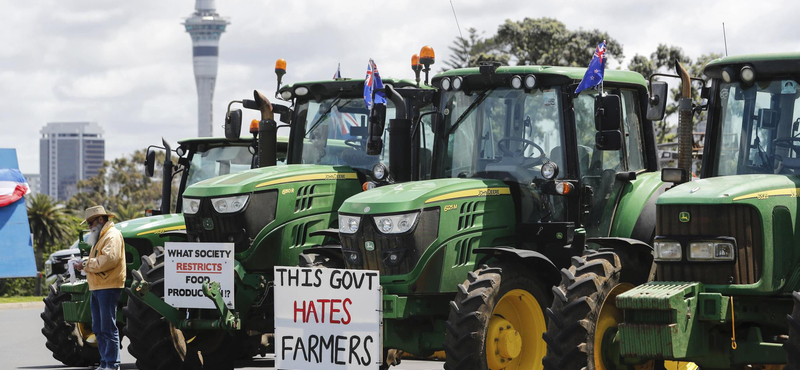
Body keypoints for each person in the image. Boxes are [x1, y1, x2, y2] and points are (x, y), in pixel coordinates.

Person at [73, 205, 125, 370]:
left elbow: (109, 260)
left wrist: (86, 263)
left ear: (100, 219)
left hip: (108, 287)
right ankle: (105, 363)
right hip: (98, 286)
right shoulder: (102, 237)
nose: (89, 227)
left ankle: (112, 364)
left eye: (90, 223)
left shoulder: (112, 235)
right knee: (99, 328)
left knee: (108, 328)